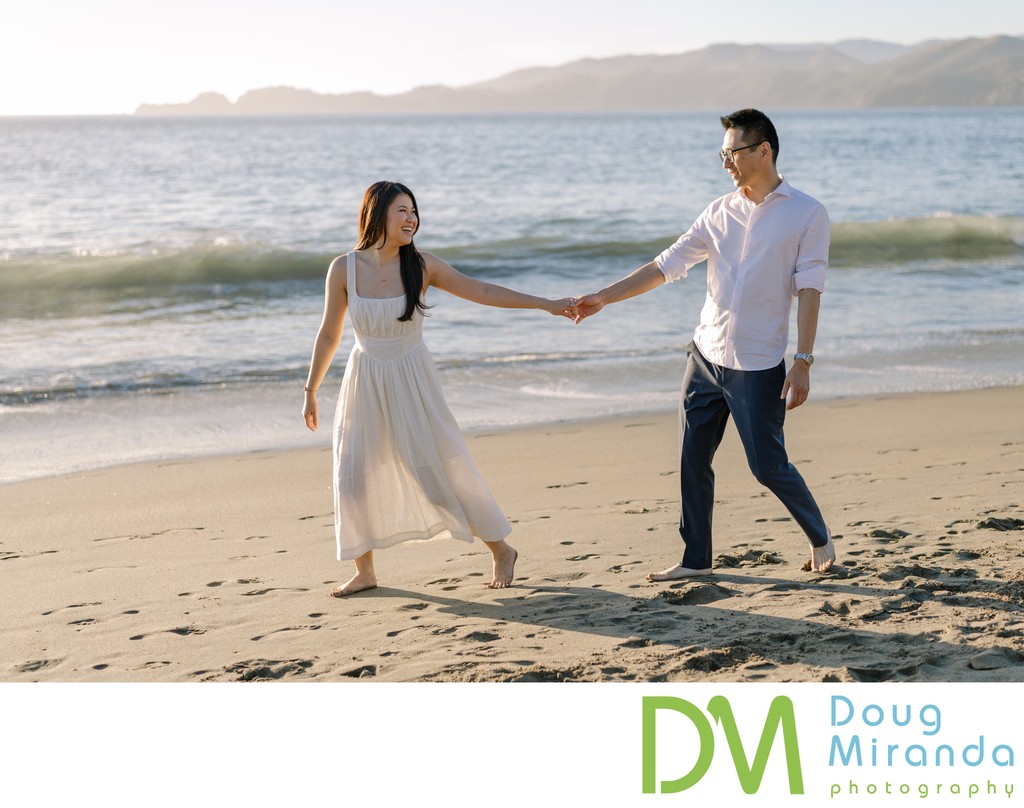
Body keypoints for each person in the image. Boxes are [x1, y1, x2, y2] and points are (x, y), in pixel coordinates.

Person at [573, 108, 835, 579]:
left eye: (732, 152)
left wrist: (803, 360)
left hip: (757, 365)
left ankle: (819, 536)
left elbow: (810, 290)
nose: (725, 163)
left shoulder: (808, 214)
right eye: (722, 154)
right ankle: (696, 561)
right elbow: (665, 265)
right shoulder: (718, 212)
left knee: (768, 466)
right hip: (705, 357)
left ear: (763, 150)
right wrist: (604, 298)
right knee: (692, 460)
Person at [303, 181, 576, 597]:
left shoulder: (423, 266)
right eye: (402, 211)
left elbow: (482, 291)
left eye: (414, 211)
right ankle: (365, 570)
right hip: (365, 376)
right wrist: (311, 389)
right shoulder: (344, 268)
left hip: (412, 377)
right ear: (376, 213)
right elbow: (328, 335)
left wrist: (545, 303)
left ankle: (501, 549)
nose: (411, 219)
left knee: (436, 471)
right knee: (352, 472)